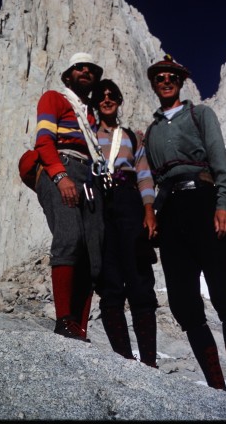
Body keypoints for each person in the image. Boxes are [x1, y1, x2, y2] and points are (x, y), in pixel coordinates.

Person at [144, 54, 226, 391]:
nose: (165, 80)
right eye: (159, 76)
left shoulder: (200, 114)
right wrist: (152, 215)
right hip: (171, 213)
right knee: (183, 302)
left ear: (181, 80)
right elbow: (154, 180)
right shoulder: (152, 131)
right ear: (154, 84)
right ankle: (216, 387)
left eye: (171, 75)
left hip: (204, 203)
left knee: (222, 290)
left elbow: (219, 159)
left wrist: (224, 204)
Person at [28, 52, 107, 342]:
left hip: (89, 176)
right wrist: (60, 176)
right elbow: (44, 141)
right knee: (70, 237)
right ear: (68, 74)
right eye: (79, 67)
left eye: (91, 69)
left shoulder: (89, 116)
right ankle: (64, 320)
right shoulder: (54, 98)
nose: (86, 71)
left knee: (91, 252)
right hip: (61, 167)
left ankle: (79, 328)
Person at [91, 79, 159, 368]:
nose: (107, 100)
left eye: (112, 96)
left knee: (140, 279)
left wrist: (149, 210)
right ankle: (123, 359)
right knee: (110, 282)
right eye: (102, 96)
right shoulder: (88, 135)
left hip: (129, 202)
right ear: (96, 103)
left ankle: (148, 362)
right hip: (99, 205)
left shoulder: (132, 136)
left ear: (119, 100)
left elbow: (143, 173)